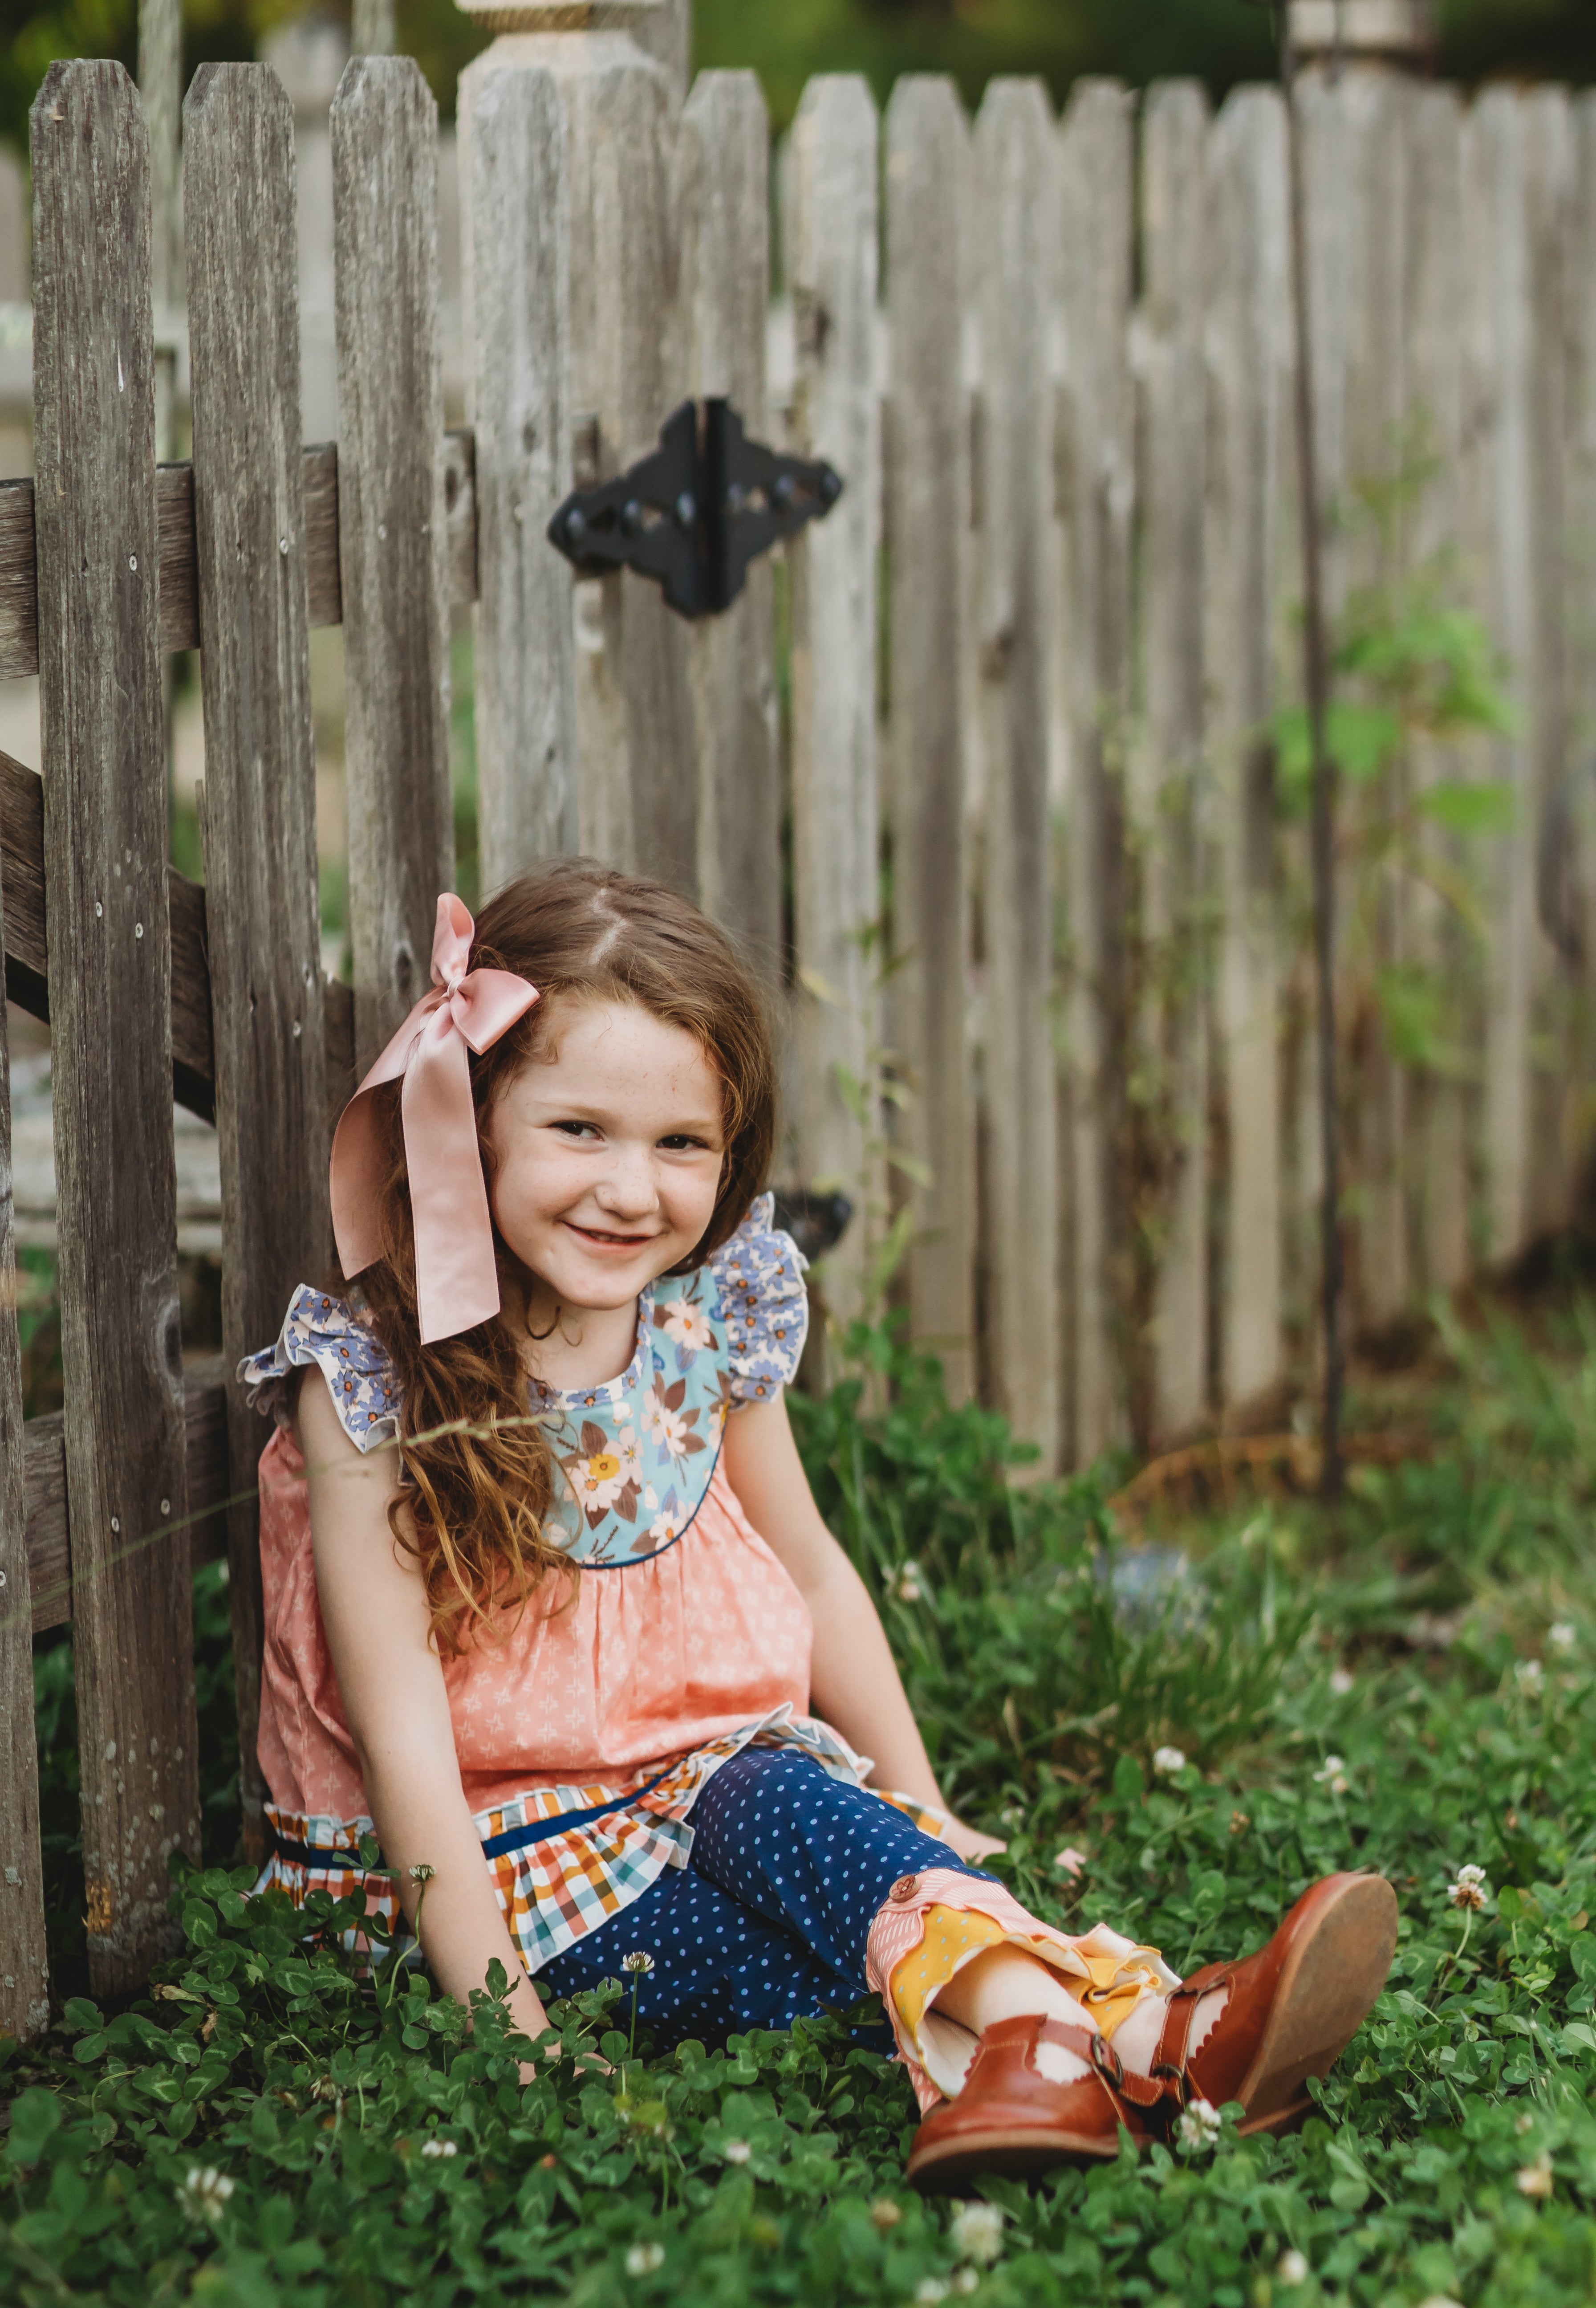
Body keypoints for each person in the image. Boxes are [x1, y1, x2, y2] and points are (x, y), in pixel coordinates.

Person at [240, 860, 1397, 2190]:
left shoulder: (702, 1315)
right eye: (579, 1132)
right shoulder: (376, 1381)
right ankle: (1139, 2030)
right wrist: (505, 2024)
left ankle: (1045, 2044)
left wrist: (925, 1806)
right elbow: (402, 1736)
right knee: (795, 1945)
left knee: (794, 1800)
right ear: (472, 1120)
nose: (632, 1189)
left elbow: (811, 1569)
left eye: (681, 1145)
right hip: (496, 1858)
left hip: (704, 1778)